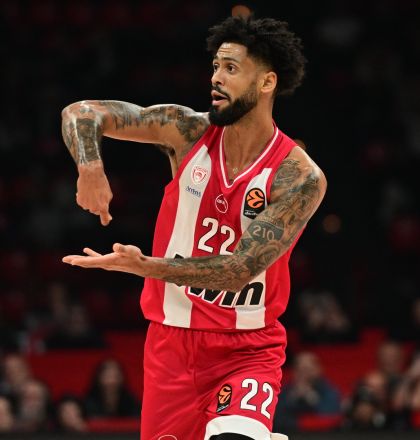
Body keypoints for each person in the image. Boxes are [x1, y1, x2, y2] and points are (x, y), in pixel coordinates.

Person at [61, 14, 326, 440]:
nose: (216, 78)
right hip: (171, 346)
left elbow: (238, 271)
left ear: (267, 82)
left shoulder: (297, 177)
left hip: (248, 348)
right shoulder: (186, 131)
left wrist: (147, 267)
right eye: (216, 66)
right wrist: (89, 167)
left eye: (231, 68)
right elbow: (81, 112)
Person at [273, 352, 341, 431]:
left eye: (308, 369)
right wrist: (292, 398)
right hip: (292, 434)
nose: (304, 374)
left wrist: (311, 397)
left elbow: (332, 415)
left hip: (323, 434)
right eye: (300, 370)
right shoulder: (285, 391)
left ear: (318, 370)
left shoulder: (328, 389)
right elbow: (276, 417)